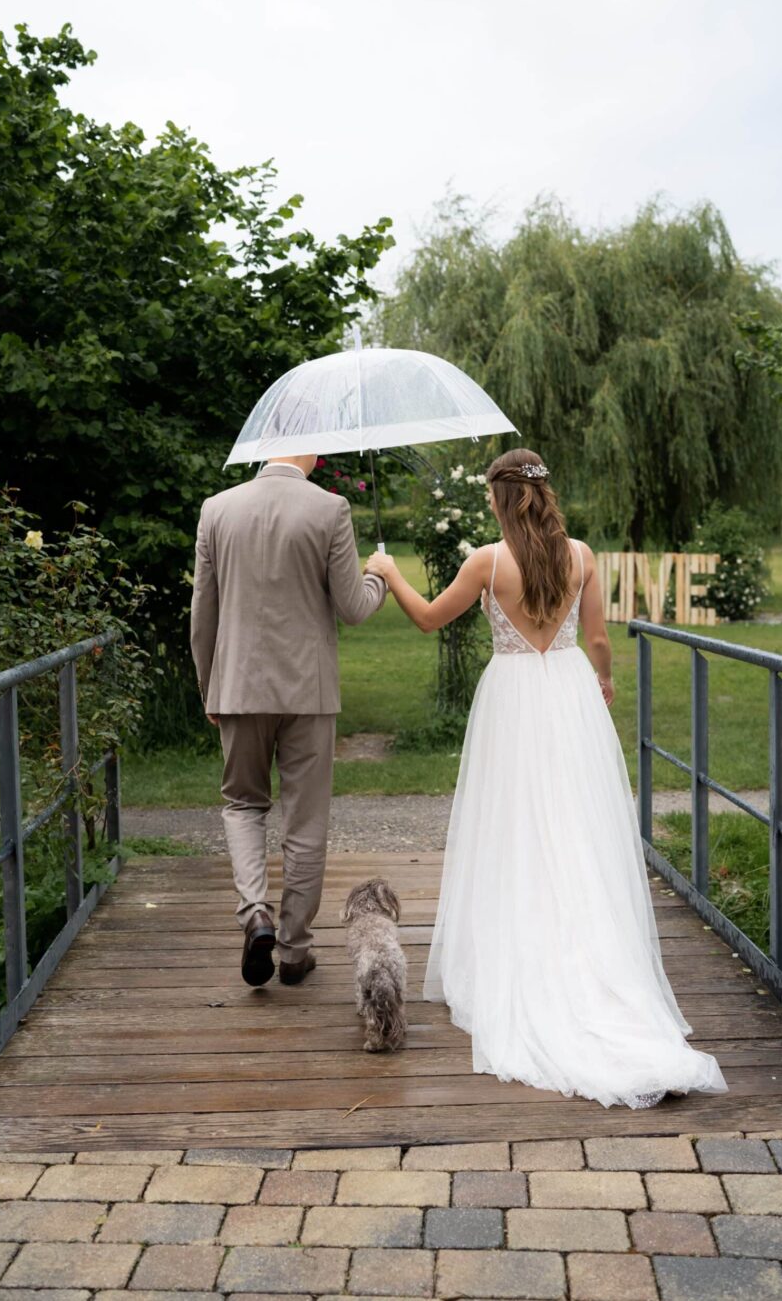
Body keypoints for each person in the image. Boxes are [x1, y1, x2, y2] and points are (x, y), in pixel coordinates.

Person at [365, 448, 726, 1109]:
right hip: (568, 696)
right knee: (575, 827)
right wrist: (606, 680)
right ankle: (588, 952)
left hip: (511, 698)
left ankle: (521, 950)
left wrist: (388, 570)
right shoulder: (582, 556)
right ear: (543, 492)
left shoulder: (486, 562)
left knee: (512, 825)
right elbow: (597, 638)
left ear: (499, 498)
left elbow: (426, 618)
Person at [190, 454, 386, 989]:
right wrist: (380, 578)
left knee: (242, 804)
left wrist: (210, 685)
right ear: (314, 453)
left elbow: (201, 612)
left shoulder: (217, 509)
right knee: (305, 819)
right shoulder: (330, 508)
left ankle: (256, 913)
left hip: (238, 686)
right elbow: (353, 607)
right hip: (308, 690)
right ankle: (295, 950)